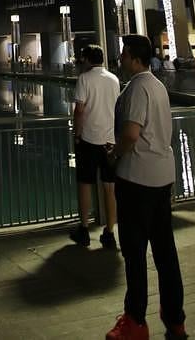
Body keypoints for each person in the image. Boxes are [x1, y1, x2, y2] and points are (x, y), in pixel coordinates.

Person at [105, 35, 186, 340]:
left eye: (124, 54)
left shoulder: (137, 87)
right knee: (166, 252)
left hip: (137, 180)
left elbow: (131, 133)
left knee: (135, 253)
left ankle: (136, 321)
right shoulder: (158, 86)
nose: (121, 59)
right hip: (162, 177)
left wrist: (114, 154)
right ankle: (175, 317)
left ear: (134, 58)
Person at [69, 44, 120, 250]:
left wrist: (77, 134)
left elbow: (79, 110)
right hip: (110, 141)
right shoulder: (114, 79)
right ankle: (109, 232)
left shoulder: (84, 79)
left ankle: (84, 229)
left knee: (85, 183)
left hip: (89, 140)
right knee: (110, 187)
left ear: (88, 60)